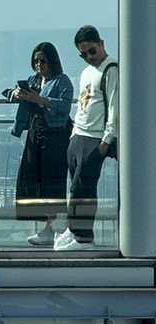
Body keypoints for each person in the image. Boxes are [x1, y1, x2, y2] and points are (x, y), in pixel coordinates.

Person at [55, 25, 118, 251]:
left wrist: (107, 138)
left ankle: (84, 237)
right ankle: (73, 229)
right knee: (75, 186)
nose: (89, 57)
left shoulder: (111, 68)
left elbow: (115, 105)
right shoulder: (87, 72)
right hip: (79, 134)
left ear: (101, 43)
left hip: (96, 136)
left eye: (92, 51)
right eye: (83, 54)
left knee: (83, 187)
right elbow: (83, 104)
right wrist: (74, 133)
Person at [4, 42, 73, 246]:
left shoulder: (62, 80)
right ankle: (48, 226)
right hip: (35, 134)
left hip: (55, 135)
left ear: (52, 61)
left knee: (52, 181)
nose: (39, 65)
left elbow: (65, 106)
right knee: (32, 178)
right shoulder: (33, 80)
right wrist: (16, 94)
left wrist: (40, 99)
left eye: (43, 60)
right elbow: (7, 92)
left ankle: (54, 227)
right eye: (36, 61)